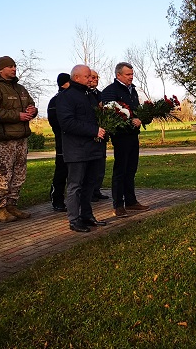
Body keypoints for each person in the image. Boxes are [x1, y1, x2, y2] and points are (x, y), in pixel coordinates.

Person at [55, 64, 108, 232]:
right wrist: (93, 130)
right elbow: (67, 123)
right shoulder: (65, 97)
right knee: (75, 185)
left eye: (91, 76)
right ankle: (74, 219)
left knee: (90, 184)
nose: (90, 79)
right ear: (76, 77)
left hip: (93, 148)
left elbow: (95, 118)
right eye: (87, 76)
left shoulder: (90, 96)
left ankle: (87, 215)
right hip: (76, 149)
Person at [0, 56, 38, 222]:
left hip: (21, 138)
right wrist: (18, 115)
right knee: (3, 173)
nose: (14, 69)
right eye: (10, 66)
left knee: (19, 174)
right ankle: (0, 208)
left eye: (14, 66)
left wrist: (32, 110)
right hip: (3, 139)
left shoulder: (20, 89)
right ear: (1, 69)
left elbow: (30, 103)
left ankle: (11, 205)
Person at [101, 62, 150, 217]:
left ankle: (131, 201)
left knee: (131, 169)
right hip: (121, 137)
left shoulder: (132, 90)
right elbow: (111, 115)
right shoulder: (110, 91)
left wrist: (140, 118)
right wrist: (130, 121)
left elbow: (136, 110)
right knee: (120, 170)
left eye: (132, 74)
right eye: (128, 74)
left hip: (133, 135)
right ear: (118, 75)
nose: (131, 77)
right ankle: (118, 205)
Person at [47, 72, 70, 212]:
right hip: (62, 141)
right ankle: (57, 198)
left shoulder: (70, 98)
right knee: (61, 171)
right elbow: (56, 122)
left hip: (73, 142)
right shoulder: (56, 101)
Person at [88, 69, 109, 202]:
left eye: (97, 77)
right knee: (91, 165)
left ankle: (97, 189)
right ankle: (89, 192)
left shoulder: (101, 95)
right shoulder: (84, 95)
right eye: (93, 77)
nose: (95, 80)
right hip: (90, 134)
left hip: (102, 134)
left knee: (100, 164)